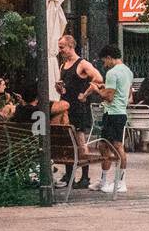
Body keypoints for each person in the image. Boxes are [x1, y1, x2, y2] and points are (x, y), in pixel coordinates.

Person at [54, 34, 103, 189]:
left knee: (80, 140)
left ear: (70, 46)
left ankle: (85, 176)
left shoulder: (82, 64)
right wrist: (60, 88)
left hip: (78, 107)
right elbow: (65, 87)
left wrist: (86, 93)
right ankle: (70, 175)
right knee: (69, 142)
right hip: (66, 107)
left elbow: (98, 78)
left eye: (62, 47)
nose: (60, 50)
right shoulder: (64, 65)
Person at [90, 45, 132, 193]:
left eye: (104, 61)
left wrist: (97, 90)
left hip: (113, 112)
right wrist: (105, 87)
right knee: (104, 145)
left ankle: (120, 182)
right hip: (120, 111)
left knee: (116, 146)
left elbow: (109, 96)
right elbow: (125, 92)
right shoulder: (128, 71)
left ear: (109, 57)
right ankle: (104, 179)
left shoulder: (112, 73)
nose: (104, 64)